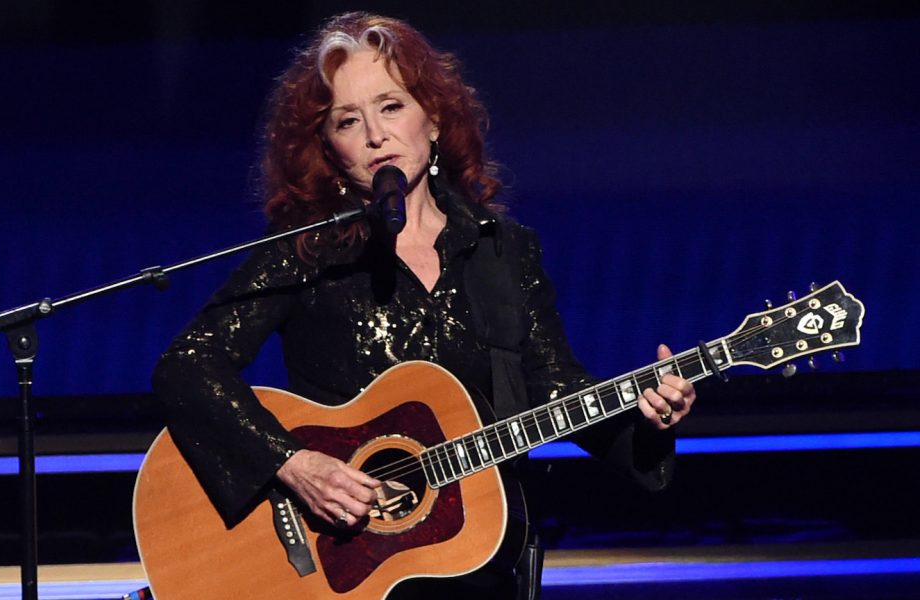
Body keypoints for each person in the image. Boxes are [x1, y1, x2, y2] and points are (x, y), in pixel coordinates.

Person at [152, 11, 696, 600]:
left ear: (433, 119)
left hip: (477, 563)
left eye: (392, 107)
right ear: (330, 149)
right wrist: (295, 466)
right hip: (342, 570)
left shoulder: (502, 251)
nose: (375, 136)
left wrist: (645, 417)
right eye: (347, 121)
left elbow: (555, 389)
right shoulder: (309, 252)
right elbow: (187, 366)